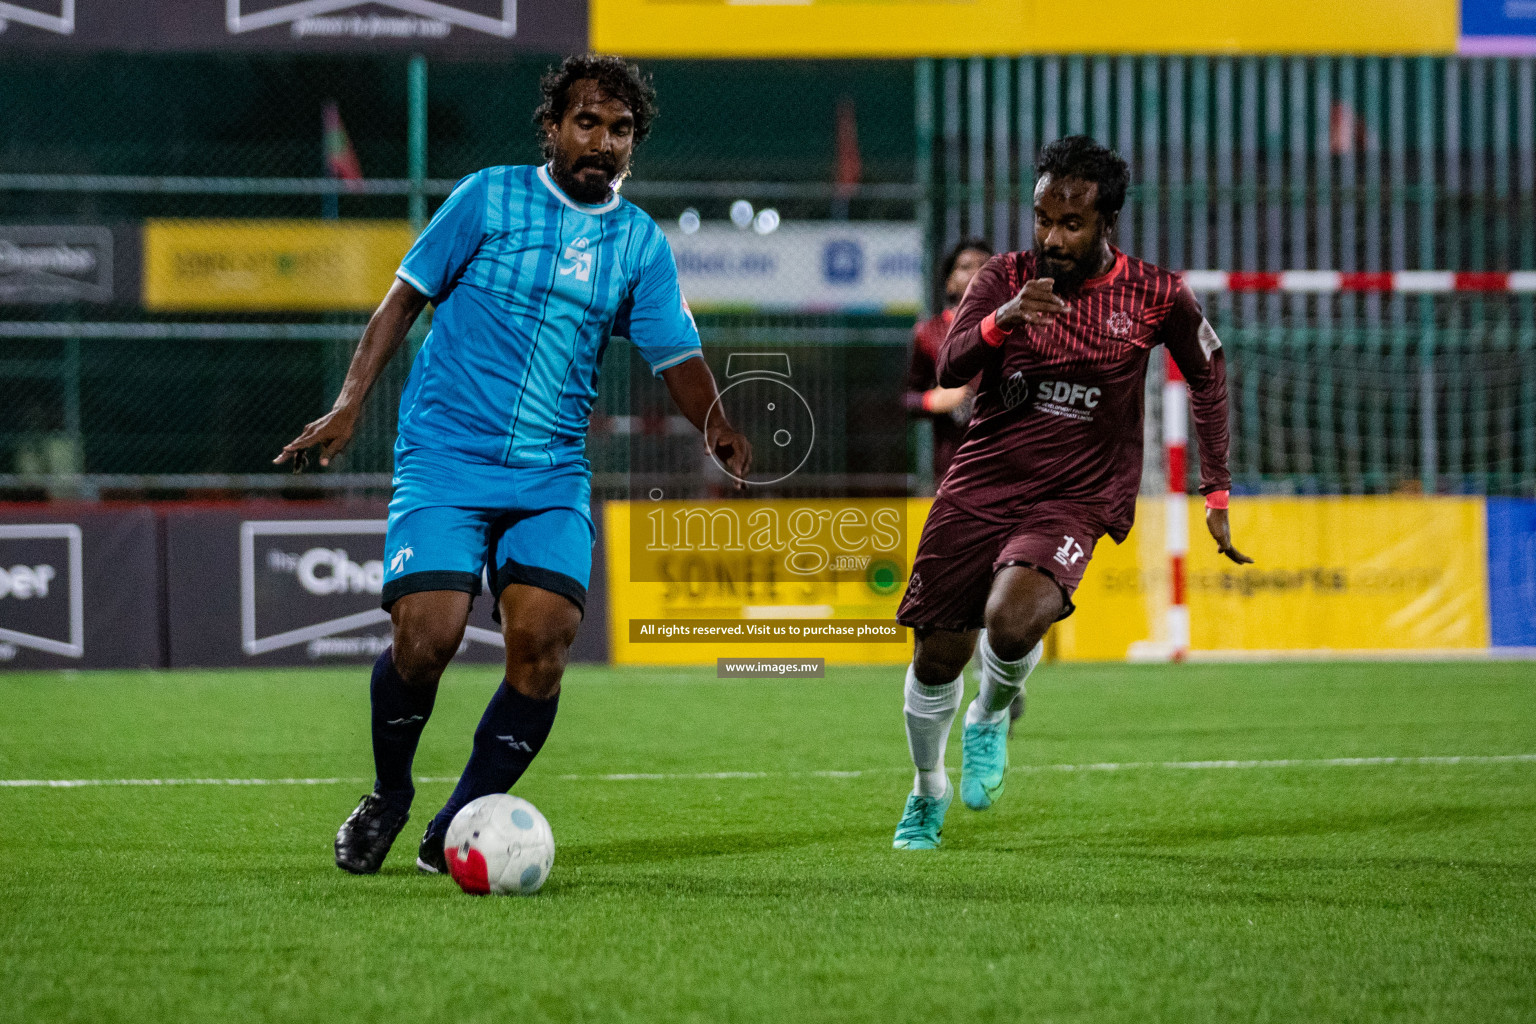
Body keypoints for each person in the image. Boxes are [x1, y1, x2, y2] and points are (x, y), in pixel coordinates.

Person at [276, 55, 752, 876]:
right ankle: (390, 794)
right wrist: (352, 402)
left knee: (545, 639)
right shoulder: (487, 197)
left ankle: (455, 823)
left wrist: (717, 426)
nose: (603, 141)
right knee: (427, 640)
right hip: (445, 458)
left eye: (621, 129)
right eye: (588, 123)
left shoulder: (638, 242)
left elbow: (676, 352)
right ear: (553, 127)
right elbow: (403, 300)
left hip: (550, 471)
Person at [890, 135, 1253, 849]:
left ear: (1106, 221)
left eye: (1070, 224)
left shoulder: (1156, 294)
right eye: (1042, 219)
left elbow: (1208, 376)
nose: (1052, 238)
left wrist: (1216, 490)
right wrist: (1003, 319)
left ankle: (991, 713)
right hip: (980, 484)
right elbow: (950, 367)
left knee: (1013, 618)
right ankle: (927, 787)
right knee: (936, 657)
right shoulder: (1003, 278)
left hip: (1076, 496)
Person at [905, 238, 991, 483]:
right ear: (949, 281)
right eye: (965, 267)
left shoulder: (1016, 331)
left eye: (985, 266)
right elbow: (904, 396)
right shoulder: (928, 333)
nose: (976, 272)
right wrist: (931, 400)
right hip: (954, 470)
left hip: (1008, 468)